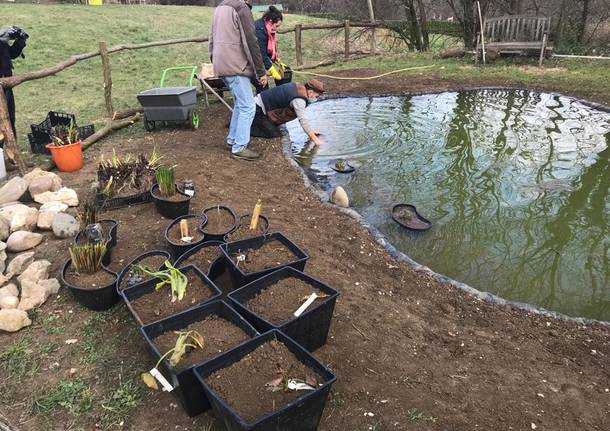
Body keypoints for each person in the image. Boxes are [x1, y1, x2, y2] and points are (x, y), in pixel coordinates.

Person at [209, 0, 267, 161]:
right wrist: (260, 71)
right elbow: (251, 41)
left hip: (222, 63)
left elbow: (211, 38)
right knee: (248, 106)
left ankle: (233, 139)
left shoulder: (220, 7)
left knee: (241, 104)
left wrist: (214, 60)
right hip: (236, 65)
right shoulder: (241, 8)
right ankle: (240, 147)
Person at [251, 79, 325, 146]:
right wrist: (315, 140)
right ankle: (249, 130)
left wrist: (311, 131)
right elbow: (302, 120)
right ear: (311, 92)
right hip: (258, 109)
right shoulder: (299, 99)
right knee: (274, 134)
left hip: (263, 106)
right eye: (316, 96)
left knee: (276, 129)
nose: (316, 98)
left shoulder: (299, 86)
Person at [0, 26, 27, 149]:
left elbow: (11, 54)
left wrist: (20, 40)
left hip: (7, 84)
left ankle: (13, 156)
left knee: (10, 119)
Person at [253, 5, 288, 94]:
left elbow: (267, 49)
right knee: (263, 87)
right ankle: (260, 106)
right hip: (248, 62)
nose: (277, 29)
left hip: (255, 60)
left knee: (264, 87)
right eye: (276, 26)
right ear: (270, 21)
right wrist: (271, 69)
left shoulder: (265, 28)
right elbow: (260, 53)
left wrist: (277, 61)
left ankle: (266, 102)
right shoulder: (258, 30)